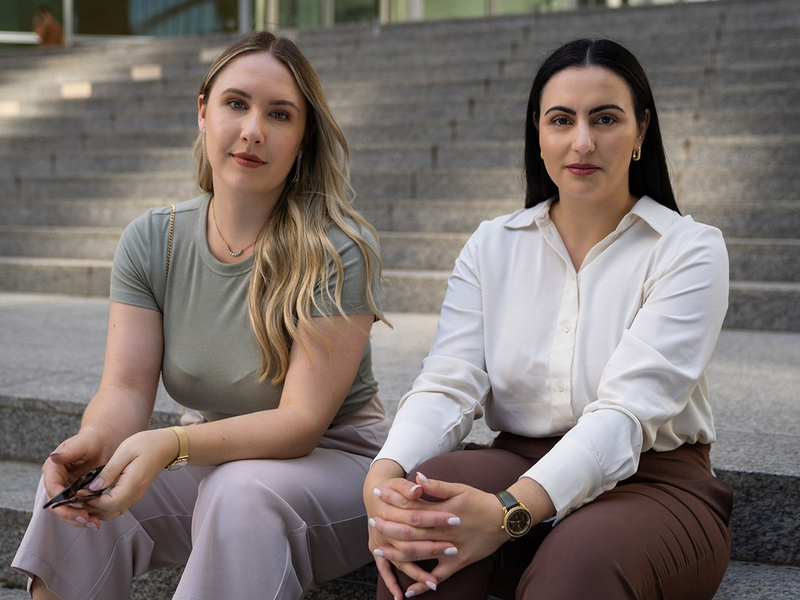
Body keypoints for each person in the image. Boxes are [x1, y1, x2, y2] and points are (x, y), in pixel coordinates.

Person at [13, 30, 390, 600]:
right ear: (203, 112)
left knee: (238, 492)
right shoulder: (153, 240)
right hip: (220, 457)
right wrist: (92, 441)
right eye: (236, 104)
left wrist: (171, 445)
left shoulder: (336, 249)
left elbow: (301, 424)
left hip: (338, 466)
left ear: (302, 137)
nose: (253, 130)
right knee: (78, 491)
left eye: (280, 115)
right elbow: (124, 388)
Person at [364, 38, 733, 600]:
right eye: (562, 119)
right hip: (514, 460)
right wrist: (386, 471)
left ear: (641, 132)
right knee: (427, 513)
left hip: (653, 483)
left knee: (578, 566)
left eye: (605, 119)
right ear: (538, 133)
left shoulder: (689, 249)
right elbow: (448, 382)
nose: (582, 141)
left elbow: (625, 413)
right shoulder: (493, 245)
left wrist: (510, 510)